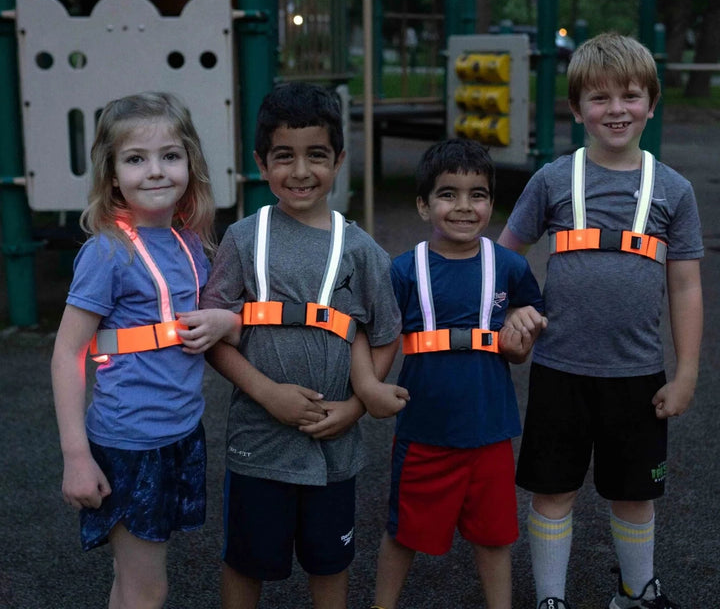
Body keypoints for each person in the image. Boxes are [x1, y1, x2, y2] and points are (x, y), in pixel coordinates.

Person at [498, 33, 704, 609]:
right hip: (560, 369)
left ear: (652, 103)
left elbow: (685, 285)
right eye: (599, 98)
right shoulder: (552, 180)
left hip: (638, 374)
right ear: (576, 109)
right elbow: (507, 256)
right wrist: (514, 304)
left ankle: (637, 592)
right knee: (553, 490)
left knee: (635, 496)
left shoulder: (674, 190)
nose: (616, 109)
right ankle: (549, 599)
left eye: (630, 96)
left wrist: (685, 372)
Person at [200, 81, 407, 609]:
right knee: (245, 564)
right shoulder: (242, 239)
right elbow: (214, 335)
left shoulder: (362, 250)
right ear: (260, 163)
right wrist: (267, 393)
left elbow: (386, 336)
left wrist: (356, 406)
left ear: (338, 160)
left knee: (329, 565)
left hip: (333, 451)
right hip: (257, 445)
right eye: (283, 157)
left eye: (316, 155)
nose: (300, 172)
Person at [51, 91, 242, 609]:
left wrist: (228, 319)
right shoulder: (106, 252)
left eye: (170, 156)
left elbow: (228, 325)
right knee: (147, 588)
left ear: (190, 164)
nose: (155, 171)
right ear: (112, 175)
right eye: (136, 159)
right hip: (130, 444)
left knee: (133, 579)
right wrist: (76, 456)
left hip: (179, 435)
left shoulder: (192, 244)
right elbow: (67, 353)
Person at [371, 138, 547, 609]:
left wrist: (521, 332)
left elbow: (521, 344)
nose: (464, 207)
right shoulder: (403, 271)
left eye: (478, 194)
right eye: (448, 194)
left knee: (494, 537)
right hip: (424, 431)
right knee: (403, 532)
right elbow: (382, 339)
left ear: (492, 201)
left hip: (490, 433)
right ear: (423, 205)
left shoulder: (510, 267)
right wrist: (367, 391)